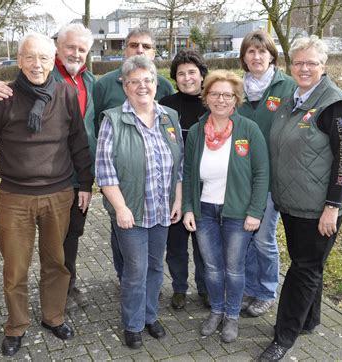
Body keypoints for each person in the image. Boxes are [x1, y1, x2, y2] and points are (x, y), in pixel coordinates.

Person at [0, 33, 94, 357]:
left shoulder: (66, 94)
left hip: (59, 195)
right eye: (30, 58)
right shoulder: (4, 98)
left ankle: (53, 317)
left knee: (57, 262)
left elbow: (79, 142)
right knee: (15, 268)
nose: (37, 65)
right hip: (15, 198)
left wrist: (86, 185)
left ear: (53, 60)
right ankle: (16, 325)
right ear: (19, 60)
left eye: (43, 58)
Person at [259, 36, 342, 361]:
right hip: (293, 204)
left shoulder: (335, 106)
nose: (304, 68)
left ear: (323, 66)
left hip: (319, 207)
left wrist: (331, 207)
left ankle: (283, 336)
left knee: (304, 269)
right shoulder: (294, 98)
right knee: (310, 266)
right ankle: (310, 319)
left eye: (311, 63)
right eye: (299, 62)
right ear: (291, 65)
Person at [95, 56, 183, 349]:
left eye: (147, 80)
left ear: (156, 83)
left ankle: (150, 316)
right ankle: (132, 324)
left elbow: (179, 164)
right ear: (125, 85)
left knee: (156, 267)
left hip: (161, 210)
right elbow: (105, 171)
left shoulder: (169, 116)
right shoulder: (113, 120)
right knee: (135, 270)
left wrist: (178, 200)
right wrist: (120, 208)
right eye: (134, 81)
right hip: (131, 212)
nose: (142, 86)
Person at [182, 70, 269, 343]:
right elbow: (187, 173)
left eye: (227, 95)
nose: (221, 100)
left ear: (236, 100)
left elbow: (261, 173)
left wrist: (255, 211)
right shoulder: (196, 131)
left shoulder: (248, 130)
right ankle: (216, 311)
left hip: (237, 212)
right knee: (211, 268)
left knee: (234, 268)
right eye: (215, 94)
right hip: (204, 210)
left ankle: (232, 316)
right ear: (206, 98)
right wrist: (187, 208)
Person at [93, 28, 175, 282]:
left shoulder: (162, 85)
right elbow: (94, 124)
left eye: (146, 46)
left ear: (153, 52)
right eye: (134, 44)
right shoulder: (105, 83)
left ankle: (145, 285)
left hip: (155, 186)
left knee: (151, 253)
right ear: (125, 49)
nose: (140, 50)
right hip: (120, 180)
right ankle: (125, 278)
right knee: (121, 235)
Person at [237, 30, 296, 317]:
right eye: (250, 51)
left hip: (272, 177)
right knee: (246, 236)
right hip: (241, 177)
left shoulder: (288, 87)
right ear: (244, 58)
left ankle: (267, 290)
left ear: (272, 55)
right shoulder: (237, 88)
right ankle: (249, 287)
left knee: (263, 236)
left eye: (262, 51)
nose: (256, 56)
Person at [159, 49, 209, 310]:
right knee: (176, 244)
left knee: (203, 244)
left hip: (205, 187)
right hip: (174, 188)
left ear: (202, 75)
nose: (187, 78)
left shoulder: (212, 103)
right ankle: (179, 288)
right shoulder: (166, 105)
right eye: (181, 73)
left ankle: (205, 288)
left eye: (192, 72)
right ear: (174, 78)